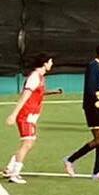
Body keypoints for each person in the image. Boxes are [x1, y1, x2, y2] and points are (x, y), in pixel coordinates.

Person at [3, 55, 61, 185]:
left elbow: (37, 93)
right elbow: (25, 95)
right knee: (27, 144)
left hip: (31, 116)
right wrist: (14, 114)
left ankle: (10, 168)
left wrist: (52, 92)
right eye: (50, 61)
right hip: (26, 116)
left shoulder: (40, 77)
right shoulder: (34, 77)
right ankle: (14, 173)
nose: (52, 64)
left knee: (29, 143)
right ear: (44, 63)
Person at [63, 44, 99, 180]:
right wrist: (95, 101)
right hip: (92, 107)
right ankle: (70, 159)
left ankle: (97, 172)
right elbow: (89, 87)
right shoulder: (93, 66)